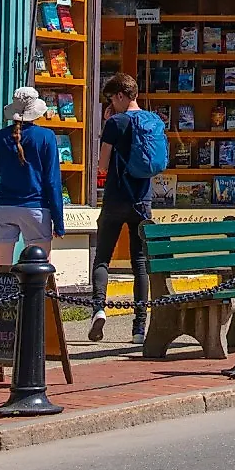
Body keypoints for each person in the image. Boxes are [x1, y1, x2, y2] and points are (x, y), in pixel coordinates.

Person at [88, 74, 167, 342]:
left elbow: (102, 165)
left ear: (121, 95)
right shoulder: (153, 120)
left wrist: (109, 124)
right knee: (140, 263)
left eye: (112, 98)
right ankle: (139, 327)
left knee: (102, 258)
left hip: (115, 199)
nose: (111, 103)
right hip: (142, 200)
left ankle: (98, 308)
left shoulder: (116, 122)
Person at [0, 87, 68, 263]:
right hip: (36, 208)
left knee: (2, 267)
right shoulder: (46, 137)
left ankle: (4, 291)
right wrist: (58, 222)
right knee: (40, 267)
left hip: (4, 208)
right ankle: (40, 292)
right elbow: (53, 182)